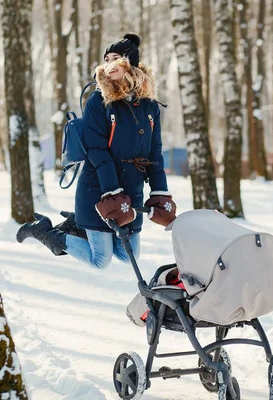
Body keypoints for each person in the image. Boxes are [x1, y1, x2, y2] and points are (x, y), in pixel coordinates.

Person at [16, 33, 176, 269]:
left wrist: (160, 191)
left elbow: (155, 151)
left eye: (116, 58)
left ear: (130, 62)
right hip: (99, 188)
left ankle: (77, 223)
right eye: (106, 58)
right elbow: (96, 149)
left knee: (128, 254)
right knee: (100, 260)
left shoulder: (150, 106)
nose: (109, 63)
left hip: (132, 189)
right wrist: (112, 190)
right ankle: (45, 232)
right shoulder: (98, 101)